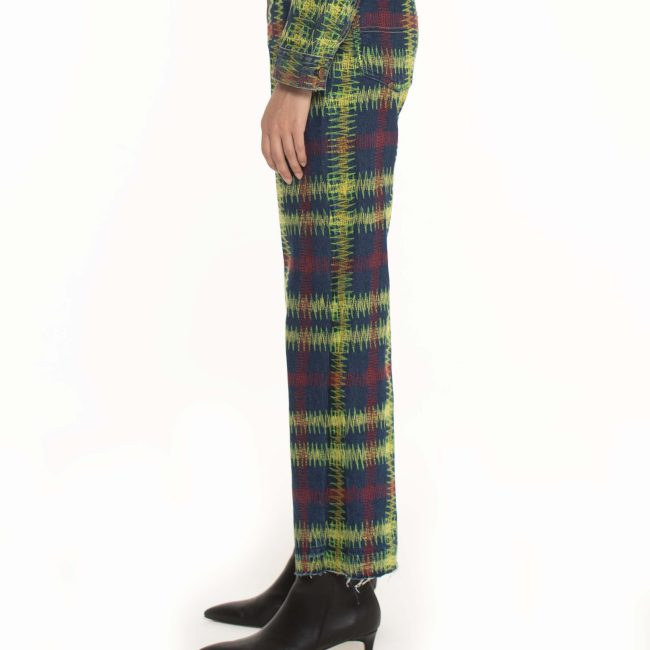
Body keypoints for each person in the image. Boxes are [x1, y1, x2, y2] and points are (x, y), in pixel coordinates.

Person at [201, 1, 418, 648]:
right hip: (341, 45)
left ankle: (337, 588)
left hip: (339, 50)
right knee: (325, 310)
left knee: (337, 317)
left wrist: (297, 78)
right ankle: (320, 558)